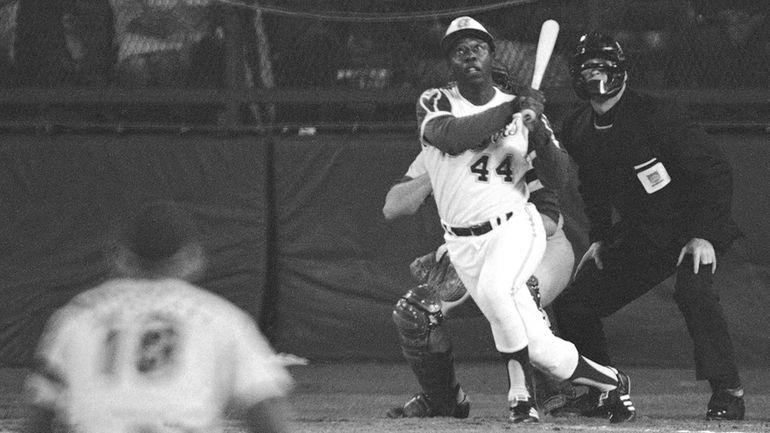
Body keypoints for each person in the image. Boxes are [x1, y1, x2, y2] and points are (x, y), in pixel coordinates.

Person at [394, 15, 636, 424]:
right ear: (450, 64)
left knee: (493, 290)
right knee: (542, 349)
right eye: (459, 49)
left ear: (492, 55)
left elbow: (560, 178)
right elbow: (453, 138)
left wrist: (538, 131)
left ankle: (520, 399)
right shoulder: (436, 102)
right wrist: (512, 109)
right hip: (462, 242)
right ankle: (612, 382)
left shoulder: (526, 116)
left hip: (514, 226)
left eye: (478, 47)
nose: (470, 54)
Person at [552, 32, 745, 421]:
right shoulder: (576, 126)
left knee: (694, 291)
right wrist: (602, 237)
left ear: (621, 72)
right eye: (587, 67)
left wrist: (704, 234)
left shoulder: (658, 114)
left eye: (603, 67)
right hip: (645, 232)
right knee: (574, 302)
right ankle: (600, 389)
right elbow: (591, 183)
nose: (595, 74)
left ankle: (729, 391)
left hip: (693, 223)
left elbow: (714, 172)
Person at [23, 200, 294, 433]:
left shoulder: (77, 316)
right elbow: (267, 408)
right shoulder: (220, 317)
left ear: (119, 257)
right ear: (193, 257)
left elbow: (39, 412)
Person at [382, 152, 578, 421]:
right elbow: (393, 206)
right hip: (474, 258)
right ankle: (444, 400)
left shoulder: (512, 139)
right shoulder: (435, 151)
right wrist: (442, 172)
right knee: (415, 310)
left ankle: (550, 392)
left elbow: (549, 220)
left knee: (519, 292)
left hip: (542, 248)